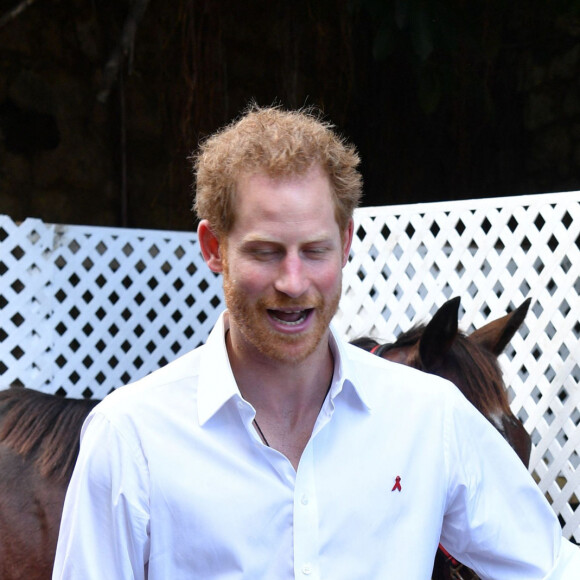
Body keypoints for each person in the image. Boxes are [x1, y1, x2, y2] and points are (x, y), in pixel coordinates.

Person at [53, 105, 579, 579]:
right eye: (265, 252)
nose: (294, 281)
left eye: (315, 250)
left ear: (346, 243)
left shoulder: (431, 418)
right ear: (215, 248)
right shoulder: (130, 437)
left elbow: (551, 568)